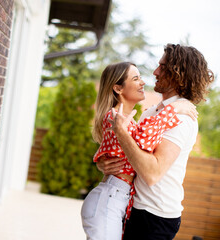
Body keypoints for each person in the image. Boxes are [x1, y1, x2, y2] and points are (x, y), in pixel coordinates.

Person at [96, 44, 214, 240]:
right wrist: (105, 163)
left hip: (154, 216)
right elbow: (133, 152)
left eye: (162, 66)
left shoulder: (182, 118)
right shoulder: (154, 111)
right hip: (134, 207)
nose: (155, 72)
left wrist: (122, 134)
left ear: (178, 73)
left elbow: (152, 173)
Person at [80, 61, 197, 240]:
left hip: (119, 199)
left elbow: (138, 146)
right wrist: (173, 109)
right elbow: (144, 138)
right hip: (110, 198)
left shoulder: (132, 120)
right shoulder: (115, 117)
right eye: (136, 78)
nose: (143, 82)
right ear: (118, 88)